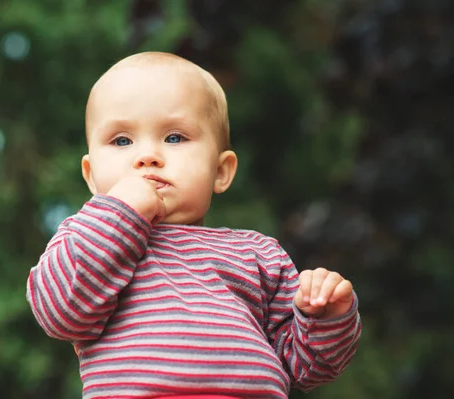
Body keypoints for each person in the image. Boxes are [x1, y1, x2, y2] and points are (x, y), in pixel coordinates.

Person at [26, 52, 362, 399]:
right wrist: (120, 212)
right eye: (122, 141)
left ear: (220, 171)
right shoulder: (88, 241)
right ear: (92, 176)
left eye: (174, 137)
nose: (147, 157)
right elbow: (60, 312)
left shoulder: (257, 254)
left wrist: (327, 318)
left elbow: (304, 367)